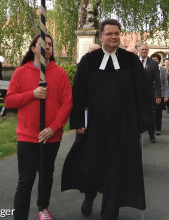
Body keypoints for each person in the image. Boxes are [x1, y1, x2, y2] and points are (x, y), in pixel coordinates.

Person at [61, 19, 151, 220]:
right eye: (109, 33)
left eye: (117, 33)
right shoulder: (88, 62)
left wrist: (140, 122)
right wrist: (78, 122)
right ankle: (89, 196)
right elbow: (79, 93)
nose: (113, 37)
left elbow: (143, 93)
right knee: (92, 164)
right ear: (100, 36)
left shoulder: (131, 61)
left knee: (117, 167)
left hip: (123, 127)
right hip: (95, 126)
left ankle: (110, 208)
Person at [5, 34, 73, 220]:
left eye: (50, 44)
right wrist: (32, 94)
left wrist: (53, 128)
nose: (47, 47)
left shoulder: (60, 73)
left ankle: (43, 207)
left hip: (51, 136)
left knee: (46, 175)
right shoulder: (21, 72)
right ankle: (20, 216)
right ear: (33, 48)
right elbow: (10, 100)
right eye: (43, 44)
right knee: (25, 180)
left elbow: (67, 103)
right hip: (27, 136)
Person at [138, 43, 161, 143]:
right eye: (142, 49)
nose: (144, 51)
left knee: (150, 115)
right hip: (136, 94)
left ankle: (151, 135)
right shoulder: (134, 61)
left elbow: (157, 80)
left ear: (148, 51)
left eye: (146, 49)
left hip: (149, 94)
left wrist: (158, 95)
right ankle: (137, 135)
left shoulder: (153, 63)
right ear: (139, 50)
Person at [150, 53, 169, 135]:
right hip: (149, 93)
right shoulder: (148, 68)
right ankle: (150, 127)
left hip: (159, 93)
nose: (154, 61)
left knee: (158, 112)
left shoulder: (162, 69)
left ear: (159, 61)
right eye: (153, 59)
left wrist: (166, 95)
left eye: (156, 59)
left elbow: (165, 82)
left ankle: (158, 128)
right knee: (150, 112)